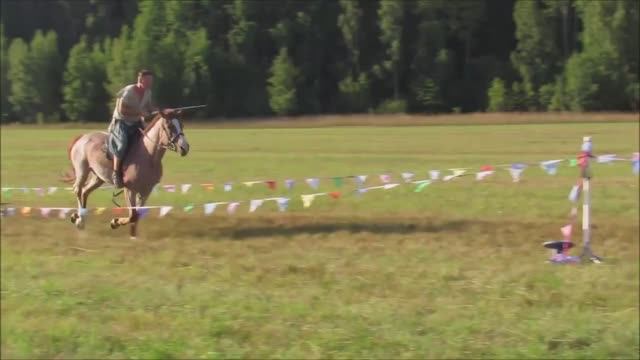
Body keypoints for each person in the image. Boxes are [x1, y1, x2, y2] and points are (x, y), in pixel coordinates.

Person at [108, 69, 165, 188]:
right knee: (122, 144)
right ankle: (115, 173)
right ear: (140, 79)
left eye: (151, 81)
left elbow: (149, 107)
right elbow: (121, 110)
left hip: (136, 122)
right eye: (148, 80)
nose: (150, 83)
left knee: (148, 142)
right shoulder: (128, 91)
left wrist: (160, 111)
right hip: (121, 122)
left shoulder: (148, 92)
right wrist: (140, 112)